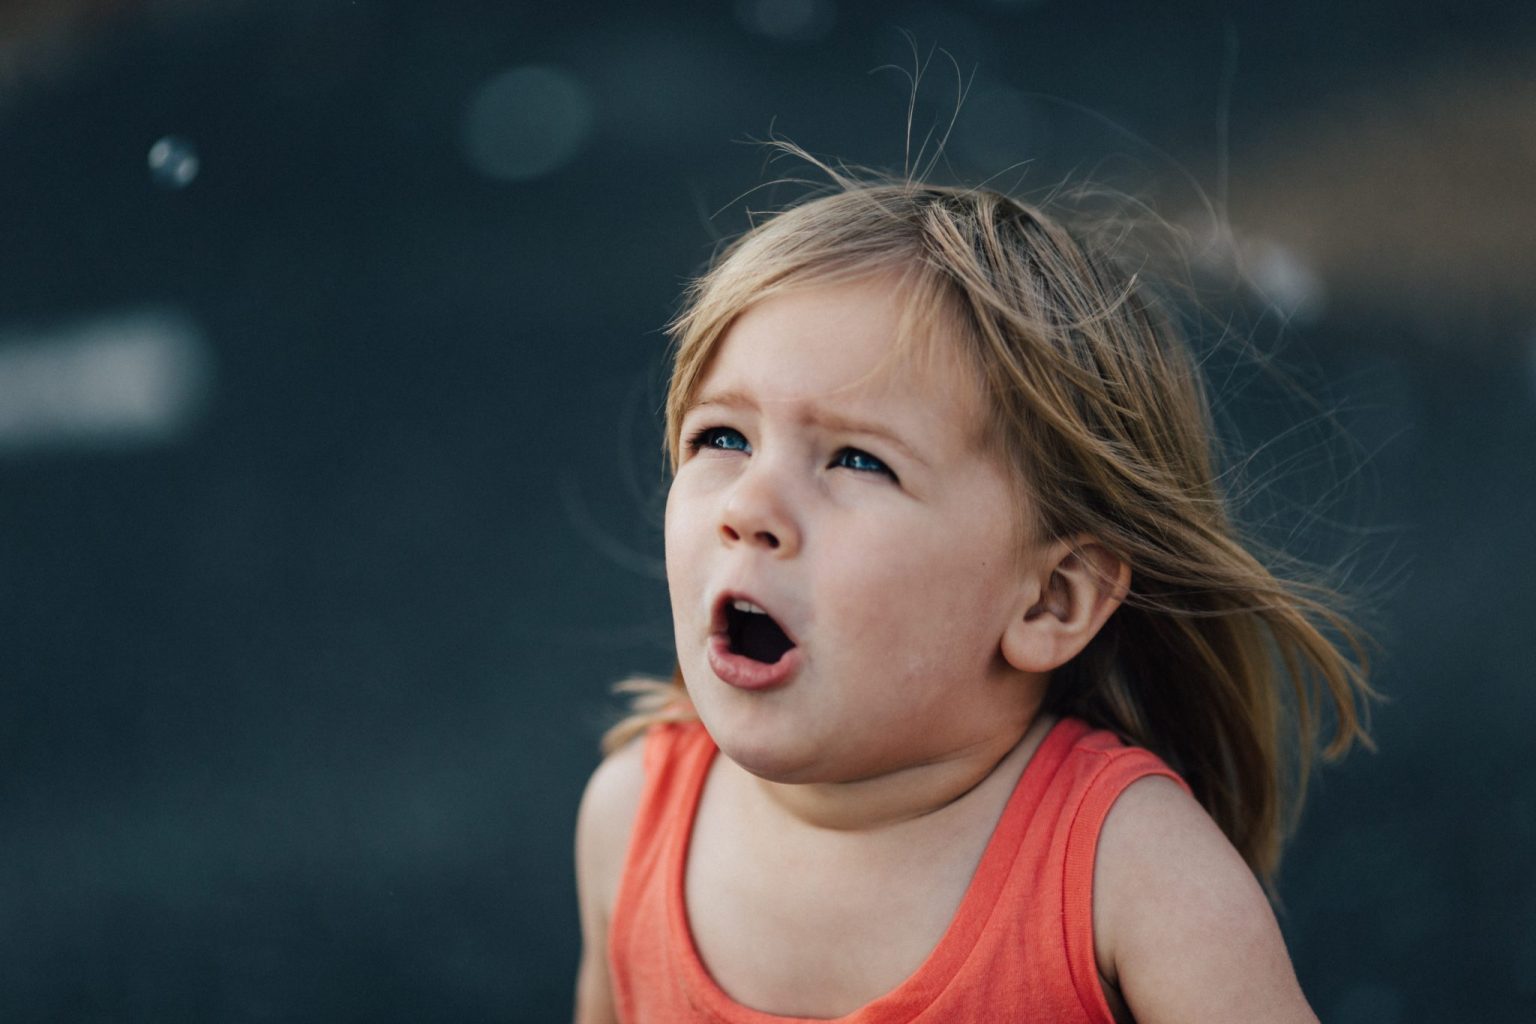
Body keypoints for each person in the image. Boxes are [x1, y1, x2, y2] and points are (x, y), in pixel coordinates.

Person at [572, 172, 1373, 1023]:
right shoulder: (631, 823)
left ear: (1051, 602)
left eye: (857, 459)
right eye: (722, 437)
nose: (749, 509)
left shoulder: (1132, 876)